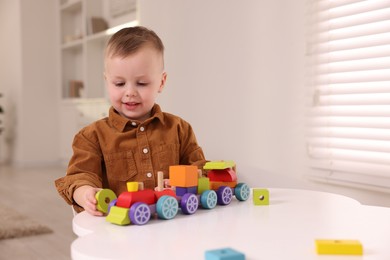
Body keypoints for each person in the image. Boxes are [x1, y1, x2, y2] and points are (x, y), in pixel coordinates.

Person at [55, 26, 206, 216]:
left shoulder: (179, 129)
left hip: (173, 224)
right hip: (120, 231)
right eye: (119, 84)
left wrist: (186, 181)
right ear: (107, 81)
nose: (130, 92)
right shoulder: (91, 137)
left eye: (141, 83)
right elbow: (79, 177)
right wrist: (85, 193)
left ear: (161, 82)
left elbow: (200, 167)